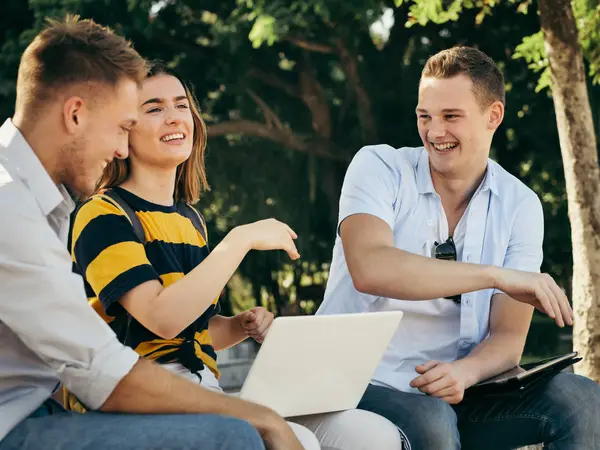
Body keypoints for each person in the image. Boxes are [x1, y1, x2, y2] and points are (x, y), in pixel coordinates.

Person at [0, 15, 304, 450]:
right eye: (124, 127)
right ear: (75, 114)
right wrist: (261, 417)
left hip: (44, 411)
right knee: (232, 437)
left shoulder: (43, 202)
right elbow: (102, 369)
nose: (121, 150)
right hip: (15, 425)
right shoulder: (11, 206)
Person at [67, 60, 405, 450]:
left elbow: (195, 331)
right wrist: (238, 241)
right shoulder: (102, 215)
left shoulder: (190, 220)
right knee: (300, 441)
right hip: (141, 397)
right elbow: (160, 318)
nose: (175, 117)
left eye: (181, 105)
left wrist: (240, 326)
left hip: (204, 388)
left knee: (370, 435)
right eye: (155, 108)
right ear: (124, 130)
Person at [317, 46, 600, 450]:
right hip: (364, 380)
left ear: (493, 116)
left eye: (451, 116)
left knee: (582, 399)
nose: (435, 132)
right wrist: (494, 275)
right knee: (433, 422)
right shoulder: (377, 168)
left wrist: (464, 373)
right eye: (425, 117)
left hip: (459, 389)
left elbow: (506, 337)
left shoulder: (520, 205)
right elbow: (370, 267)